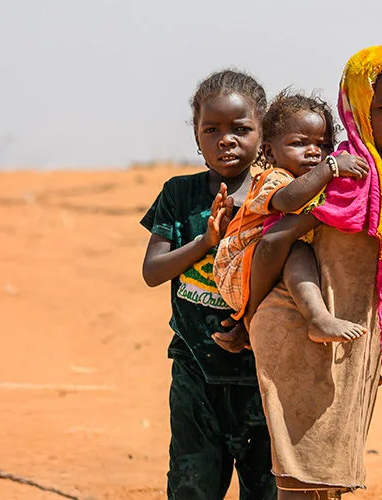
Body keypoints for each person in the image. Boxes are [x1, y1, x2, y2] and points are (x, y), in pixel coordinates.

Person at [247, 47, 382, 500]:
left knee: (328, 473)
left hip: (345, 344)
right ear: (361, 112)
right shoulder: (349, 176)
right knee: (305, 474)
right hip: (303, 335)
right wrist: (247, 317)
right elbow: (272, 240)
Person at [140, 69, 277, 500]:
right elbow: (153, 270)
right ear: (196, 136)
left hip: (261, 375)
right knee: (192, 487)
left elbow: (289, 273)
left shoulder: (276, 196)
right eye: (211, 129)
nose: (226, 140)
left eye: (240, 129)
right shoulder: (180, 195)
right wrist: (205, 242)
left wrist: (250, 326)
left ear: (263, 132)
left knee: (266, 488)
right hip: (194, 373)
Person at [212, 91, 369, 353]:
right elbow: (287, 201)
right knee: (298, 251)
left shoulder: (313, 183)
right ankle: (316, 318)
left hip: (264, 263)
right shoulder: (274, 177)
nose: (314, 152)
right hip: (236, 266)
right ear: (269, 152)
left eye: (324, 145)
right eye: (299, 143)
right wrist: (330, 167)